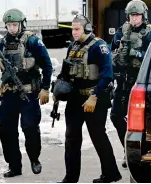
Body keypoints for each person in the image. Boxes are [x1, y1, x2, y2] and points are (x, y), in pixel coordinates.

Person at [53, 14, 122, 183]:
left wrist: (94, 96)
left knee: (98, 136)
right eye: (73, 29)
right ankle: (70, 178)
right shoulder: (73, 47)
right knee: (71, 139)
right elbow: (65, 73)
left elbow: (107, 76)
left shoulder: (99, 47)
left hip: (94, 98)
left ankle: (111, 173)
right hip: (75, 99)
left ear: (87, 29)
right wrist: (57, 90)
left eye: (77, 29)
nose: (74, 32)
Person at [0, 8, 53, 177]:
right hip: (9, 94)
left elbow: (47, 65)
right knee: (6, 128)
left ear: (22, 24)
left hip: (28, 93)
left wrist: (46, 88)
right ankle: (14, 166)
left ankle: (34, 158)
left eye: (15, 25)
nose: (12, 29)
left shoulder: (32, 41)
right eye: (9, 25)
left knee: (29, 126)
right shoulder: (2, 43)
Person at [110, 0, 151, 168]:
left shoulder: (150, 33)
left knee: (141, 120)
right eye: (131, 15)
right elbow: (112, 49)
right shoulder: (122, 31)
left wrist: (135, 52)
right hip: (123, 81)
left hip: (140, 82)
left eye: (136, 15)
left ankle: (142, 151)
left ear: (143, 16)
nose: (134, 19)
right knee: (116, 116)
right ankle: (127, 150)